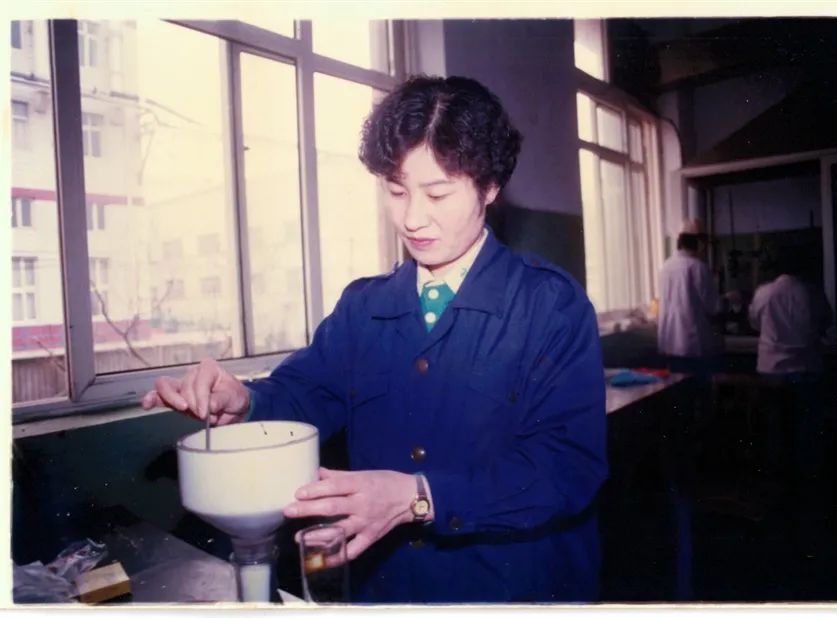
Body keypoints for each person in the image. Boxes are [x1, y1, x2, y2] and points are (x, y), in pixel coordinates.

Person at [142, 75, 608, 603]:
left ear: (489, 187)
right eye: (396, 190)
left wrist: (419, 496)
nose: (412, 217)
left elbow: (567, 466)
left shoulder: (550, 306)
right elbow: (306, 393)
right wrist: (245, 401)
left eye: (437, 193)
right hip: (386, 590)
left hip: (510, 590)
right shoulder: (364, 307)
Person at [748, 254, 832, 483]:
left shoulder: (764, 293)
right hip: (806, 367)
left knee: (775, 428)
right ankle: (807, 481)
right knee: (807, 430)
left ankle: (777, 480)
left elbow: (754, 323)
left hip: (772, 370)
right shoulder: (812, 292)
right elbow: (826, 321)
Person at [657, 218, 721, 377]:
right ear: (698, 242)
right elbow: (713, 307)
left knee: (678, 386)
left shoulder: (666, 266)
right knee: (697, 387)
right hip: (692, 345)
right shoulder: (698, 267)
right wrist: (727, 299)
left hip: (669, 343)